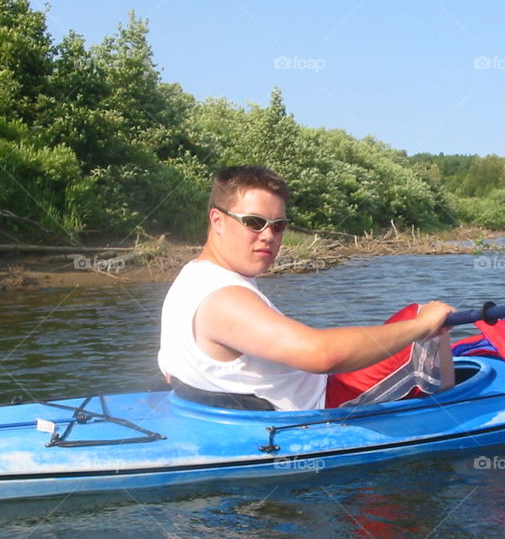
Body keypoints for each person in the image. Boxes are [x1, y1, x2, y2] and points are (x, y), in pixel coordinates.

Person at [158, 165, 456, 411]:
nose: (268, 236)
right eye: (254, 222)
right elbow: (321, 356)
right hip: (323, 404)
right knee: (424, 319)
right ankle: (454, 413)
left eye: (278, 226)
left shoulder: (193, 276)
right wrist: (423, 326)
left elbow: (169, 368)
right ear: (217, 220)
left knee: (416, 317)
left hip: (282, 395)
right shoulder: (225, 299)